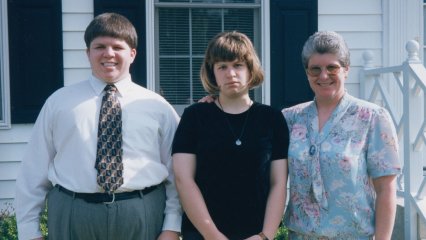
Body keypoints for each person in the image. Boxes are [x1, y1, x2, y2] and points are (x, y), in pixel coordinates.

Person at [15, 13, 181, 240]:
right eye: (99, 46)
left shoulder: (157, 107)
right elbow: (33, 171)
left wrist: (172, 226)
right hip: (73, 215)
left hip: (142, 213)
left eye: (117, 47)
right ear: (87, 53)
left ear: (132, 54)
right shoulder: (59, 103)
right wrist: (28, 231)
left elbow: (177, 172)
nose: (108, 54)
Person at [282, 31, 401, 239]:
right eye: (315, 69)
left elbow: (386, 189)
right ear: (307, 73)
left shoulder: (372, 117)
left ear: (346, 70)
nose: (323, 76)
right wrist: (216, 103)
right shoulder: (290, 119)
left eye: (332, 68)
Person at [172, 31, 289, 240]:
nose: (230, 73)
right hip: (202, 234)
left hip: (256, 234)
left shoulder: (272, 119)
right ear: (212, 72)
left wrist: (265, 235)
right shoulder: (195, 116)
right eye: (222, 67)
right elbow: (183, 179)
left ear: (250, 69)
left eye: (238, 65)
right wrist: (212, 235)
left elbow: (278, 182)